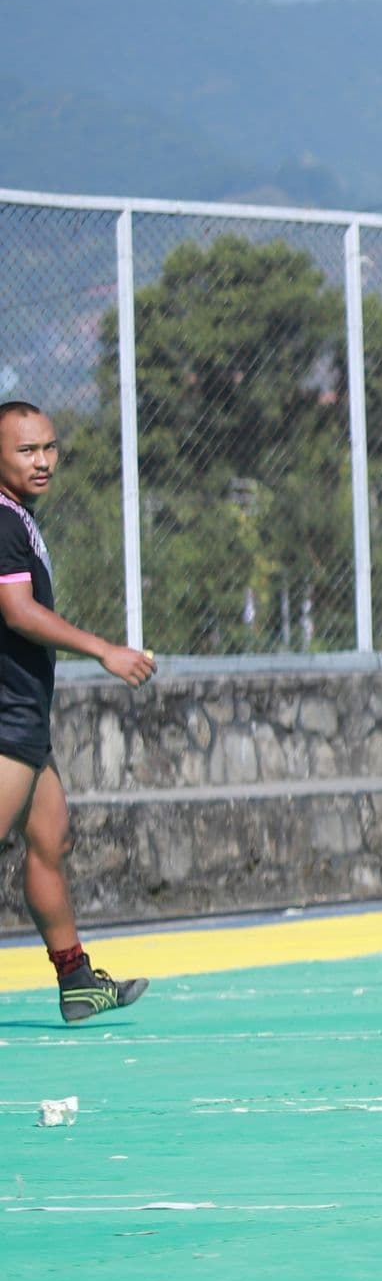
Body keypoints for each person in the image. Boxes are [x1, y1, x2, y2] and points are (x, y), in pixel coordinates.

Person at [0, 402, 156, 1024]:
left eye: (49, 447)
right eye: (26, 450)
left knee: (50, 839)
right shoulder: (1, 520)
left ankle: (77, 982)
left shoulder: (18, 515)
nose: (42, 461)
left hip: (24, 714)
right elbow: (18, 611)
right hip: (6, 717)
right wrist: (103, 651)